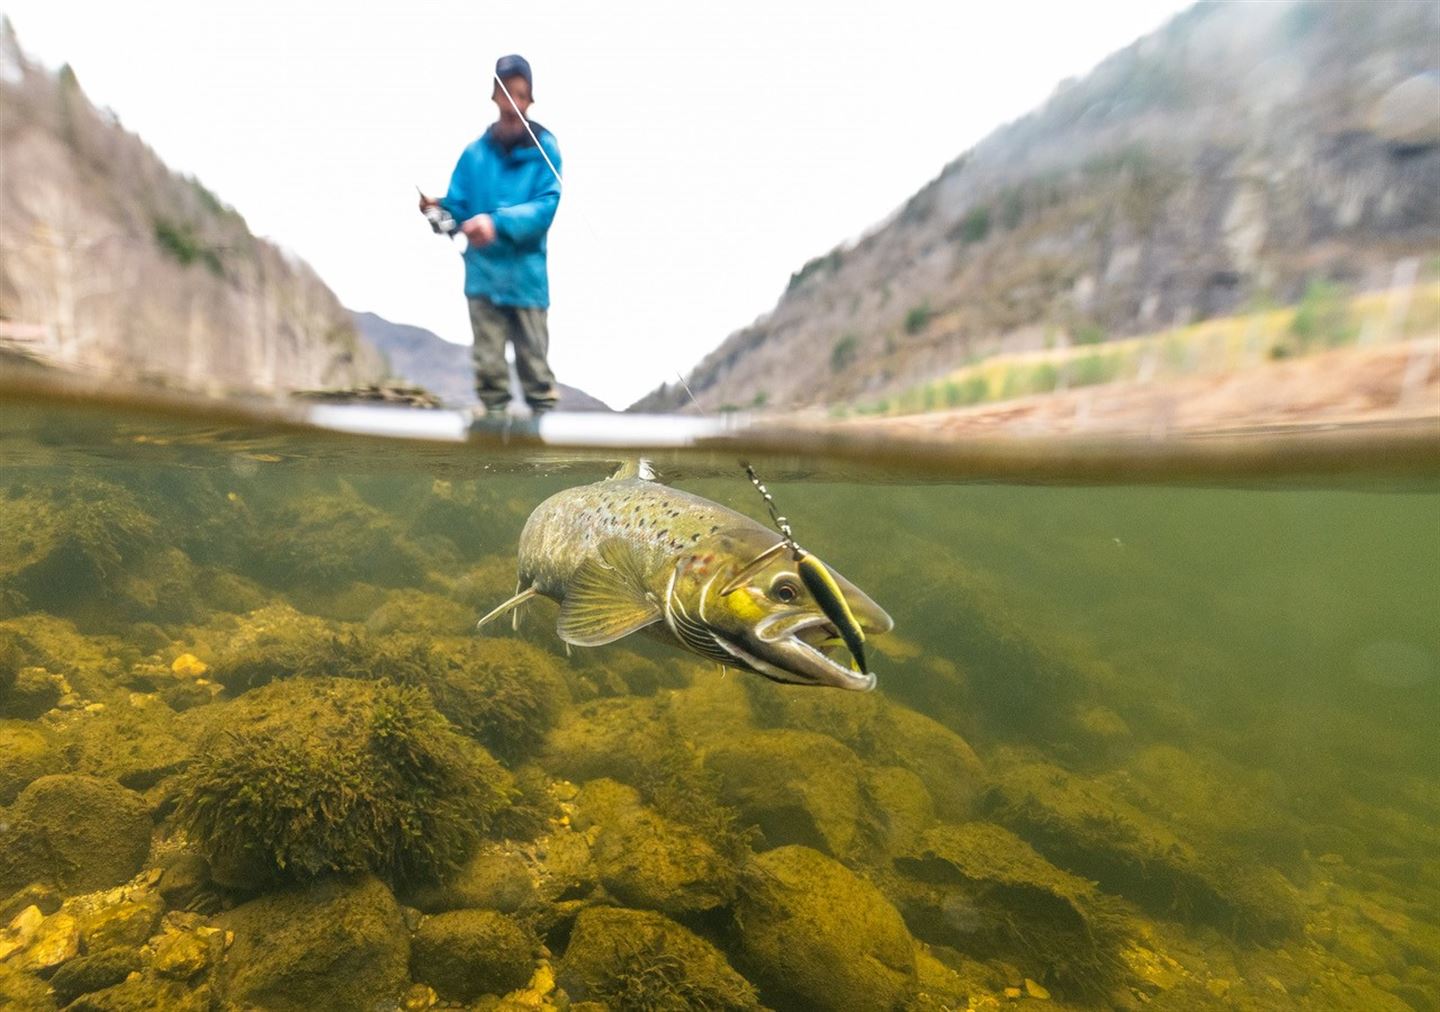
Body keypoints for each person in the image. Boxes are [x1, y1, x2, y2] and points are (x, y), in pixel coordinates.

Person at [419, 54, 562, 420]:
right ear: (495, 96)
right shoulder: (473, 155)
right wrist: (439, 208)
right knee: (490, 382)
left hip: (527, 283)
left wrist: (494, 223)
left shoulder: (547, 148)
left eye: (521, 93)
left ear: (530, 99)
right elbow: (459, 207)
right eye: (506, 92)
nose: (513, 101)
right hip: (482, 280)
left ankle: (543, 455)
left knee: (537, 381)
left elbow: (546, 206)